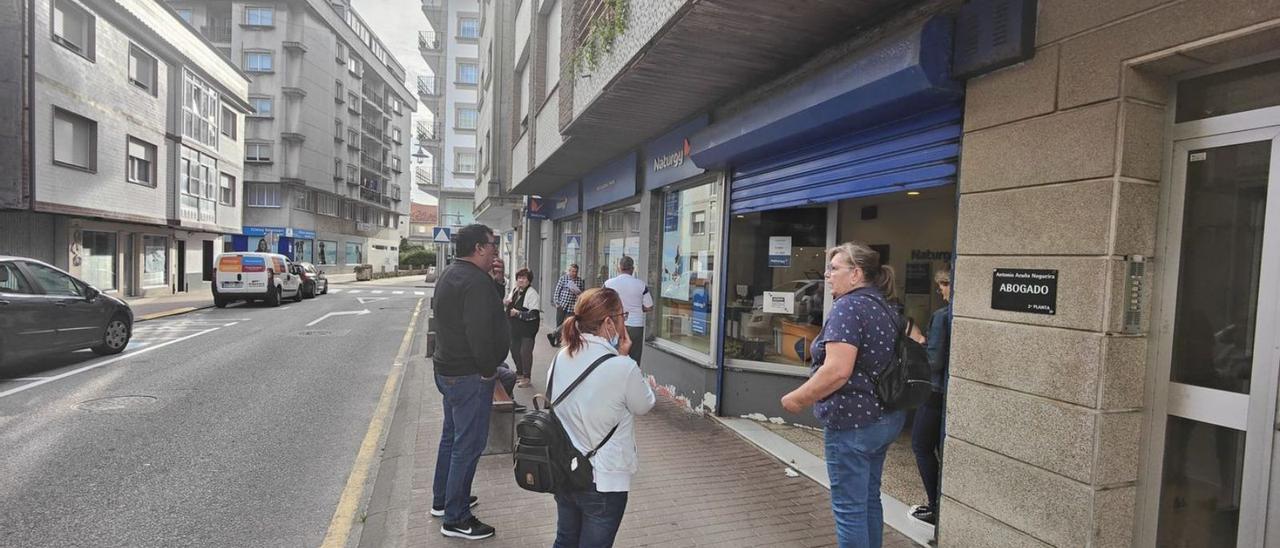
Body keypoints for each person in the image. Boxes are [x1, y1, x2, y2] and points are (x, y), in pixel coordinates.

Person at [779, 242, 906, 548]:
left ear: (856, 274)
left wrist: (797, 398)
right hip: (885, 417)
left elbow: (837, 370)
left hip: (853, 424)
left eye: (834, 268)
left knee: (849, 509)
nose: (827, 275)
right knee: (868, 500)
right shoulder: (885, 306)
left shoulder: (849, 307)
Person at [549, 287, 656, 547]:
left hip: (565, 470)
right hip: (604, 479)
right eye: (623, 315)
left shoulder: (561, 356)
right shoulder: (623, 367)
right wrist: (626, 358)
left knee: (564, 540)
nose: (624, 322)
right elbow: (644, 404)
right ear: (609, 322)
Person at [430, 223, 510, 540]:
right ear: (478, 248)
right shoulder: (475, 282)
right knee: (469, 444)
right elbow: (480, 332)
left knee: (451, 438)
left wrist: (498, 283)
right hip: (469, 376)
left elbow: (483, 312)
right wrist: (489, 370)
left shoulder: (452, 274)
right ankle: (457, 517)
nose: (495, 249)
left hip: (447, 371)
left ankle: (444, 500)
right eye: (492, 243)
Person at [909, 269, 951, 526]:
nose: (941, 290)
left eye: (944, 284)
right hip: (948, 391)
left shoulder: (942, 316)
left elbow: (934, 361)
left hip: (934, 390)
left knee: (921, 445)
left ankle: (935, 506)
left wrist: (919, 343)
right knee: (936, 446)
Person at [603, 256, 653, 364]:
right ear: (633, 268)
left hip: (614, 323)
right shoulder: (641, 285)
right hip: (635, 325)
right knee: (634, 357)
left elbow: (601, 303)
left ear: (619, 268)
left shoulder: (608, 284)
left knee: (613, 354)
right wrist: (638, 308)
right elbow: (649, 307)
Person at [507, 268, 541, 387]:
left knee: (525, 352)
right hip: (515, 328)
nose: (521, 280)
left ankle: (527, 378)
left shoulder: (532, 294)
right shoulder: (515, 290)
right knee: (514, 350)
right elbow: (509, 304)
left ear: (529, 281)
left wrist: (518, 313)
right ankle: (519, 373)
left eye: (524, 278)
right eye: (519, 278)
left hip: (528, 329)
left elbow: (534, 315)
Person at [548, 264, 584, 347]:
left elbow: (582, 293)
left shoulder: (580, 281)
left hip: (572, 306)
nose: (574, 273)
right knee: (559, 323)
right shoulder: (563, 279)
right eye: (572, 271)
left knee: (567, 324)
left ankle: (553, 335)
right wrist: (557, 303)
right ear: (569, 271)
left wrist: (579, 294)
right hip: (562, 304)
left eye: (576, 271)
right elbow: (557, 291)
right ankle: (557, 341)